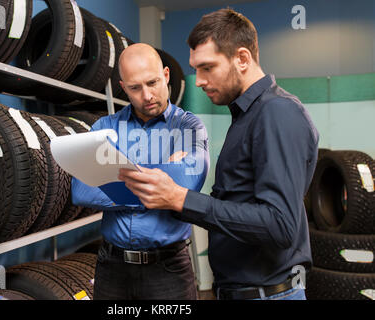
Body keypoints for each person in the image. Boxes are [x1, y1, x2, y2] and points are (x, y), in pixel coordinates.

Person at [118, 9, 319, 300]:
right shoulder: (248, 114)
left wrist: (179, 198)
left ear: (242, 59)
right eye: (195, 68)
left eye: (207, 68)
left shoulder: (277, 112)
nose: (198, 80)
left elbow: (280, 224)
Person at [71, 43, 210, 299]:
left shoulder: (189, 125)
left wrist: (115, 176)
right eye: (135, 88)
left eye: (153, 82)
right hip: (112, 267)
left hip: (168, 269)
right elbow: (81, 189)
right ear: (123, 88)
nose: (147, 95)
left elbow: (189, 182)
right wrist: (161, 186)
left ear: (166, 76)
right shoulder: (105, 127)